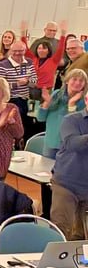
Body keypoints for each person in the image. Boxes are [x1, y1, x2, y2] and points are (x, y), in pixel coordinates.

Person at [52, 91, 88, 239]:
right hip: (67, 184)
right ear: (86, 100)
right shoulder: (71, 120)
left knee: (81, 236)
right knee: (61, 231)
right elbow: (72, 143)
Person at [39, 69, 87, 158]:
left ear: (84, 85)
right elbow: (40, 118)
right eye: (74, 79)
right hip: (50, 142)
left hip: (68, 147)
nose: (77, 83)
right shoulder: (56, 94)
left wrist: (71, 104)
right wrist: (46, 103)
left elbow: (76, 125)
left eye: (81, 81)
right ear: (67, 81)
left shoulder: (84, 101)